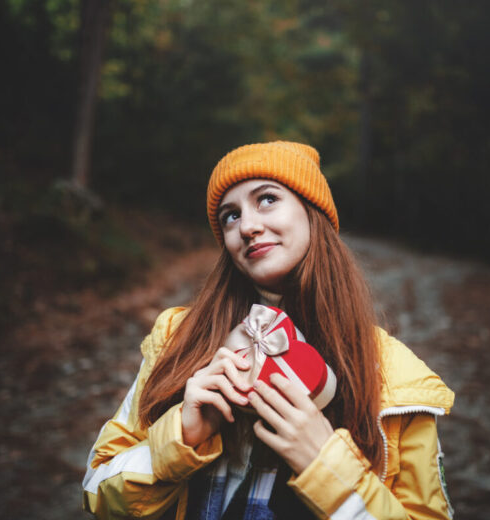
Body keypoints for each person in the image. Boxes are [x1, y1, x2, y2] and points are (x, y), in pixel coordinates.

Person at [82, 141, 455, 519]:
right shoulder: (178, 336)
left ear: (312, 213)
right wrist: (179, 438)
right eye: (230, 215)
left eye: (267, 200)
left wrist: (326, 466)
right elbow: (97, 491)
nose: (247, 226)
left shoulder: (396, 375)